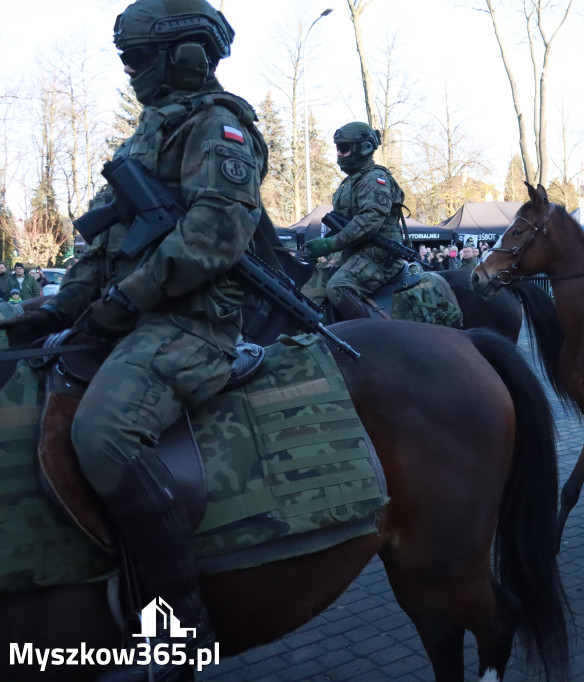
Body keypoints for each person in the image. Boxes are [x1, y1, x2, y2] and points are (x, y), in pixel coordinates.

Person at [0, 1, 267, 678]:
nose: (129, 72)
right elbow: (105, 240)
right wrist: (57, 307)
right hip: (132, 316)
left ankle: (177, 629)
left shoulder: (219, 128)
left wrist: (124, 302)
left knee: (102, 432)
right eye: (125, 59)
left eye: (137, 59)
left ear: (184, 56)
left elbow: (214, 237)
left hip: (190, 325)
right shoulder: (144, 136)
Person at [300, 122, 406, 320]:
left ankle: (365, 336)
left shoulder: (375, 179)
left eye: (345, 148)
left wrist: (328, 244)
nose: (339, 154)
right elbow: (345, 223)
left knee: (338, 287)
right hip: (356, 253)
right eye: (338, 148)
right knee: (314, 283)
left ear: (363, 149)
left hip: (381, 256)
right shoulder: (350, 182)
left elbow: (368, 222)